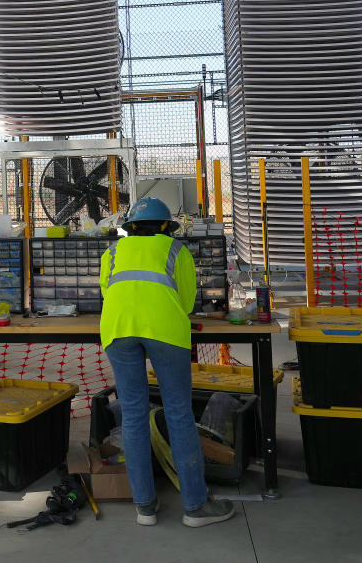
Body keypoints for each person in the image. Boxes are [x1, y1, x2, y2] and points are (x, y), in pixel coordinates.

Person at [99, 196, 235, 528]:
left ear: (130, 227)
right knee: (178, 413)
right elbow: (187, 301)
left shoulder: (113, 252)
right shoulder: (176, 251)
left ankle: (145, 506)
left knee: (132, 415)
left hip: (117, 330)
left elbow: (107, 291)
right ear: (166, 227)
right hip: (165, 332)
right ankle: (195, 506)